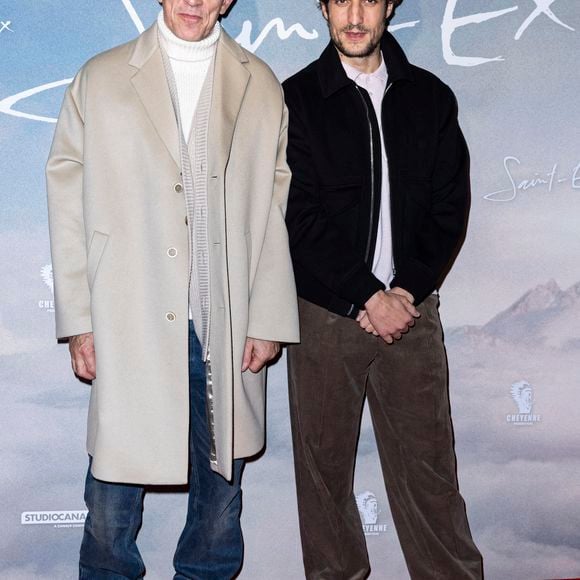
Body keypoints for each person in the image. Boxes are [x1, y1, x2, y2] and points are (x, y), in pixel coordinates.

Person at [46, 0, 298, 577]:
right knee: (111, 501)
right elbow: (67, 203)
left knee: (219, 503)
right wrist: (79, 319)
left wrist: (267, 316)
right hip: (126, 315)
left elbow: (274, 208)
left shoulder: (259, 83)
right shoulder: (101, 77)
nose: (194, 0)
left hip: (225, 321)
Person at [283, 0, 483, 578]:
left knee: (432, 477)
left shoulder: (429, 97)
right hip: (323, 317)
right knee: (324, 486)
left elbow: (449, 209)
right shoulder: (295, 99)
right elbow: (297, 216)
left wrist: (405, 292)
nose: (354, 14)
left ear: (389, 7)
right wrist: (367, 295)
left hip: (412, 313)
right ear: (322, 8)